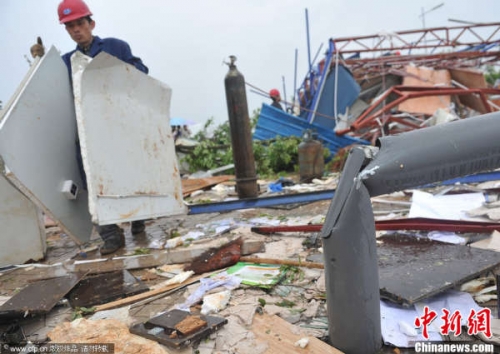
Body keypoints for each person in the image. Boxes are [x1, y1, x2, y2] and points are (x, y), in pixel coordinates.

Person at [58, 0, 149, 254]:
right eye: (70, 26)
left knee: (129, 174)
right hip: (89, 133)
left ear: (91, 24)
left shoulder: (115, 47)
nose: (76, 30)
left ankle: (138, 219)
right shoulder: (67, 62)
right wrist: (38, 62)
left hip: (119, 126)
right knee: (93, 183)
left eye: (80, 23)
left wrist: (114, 70)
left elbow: (141, 71)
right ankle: (111, 236)